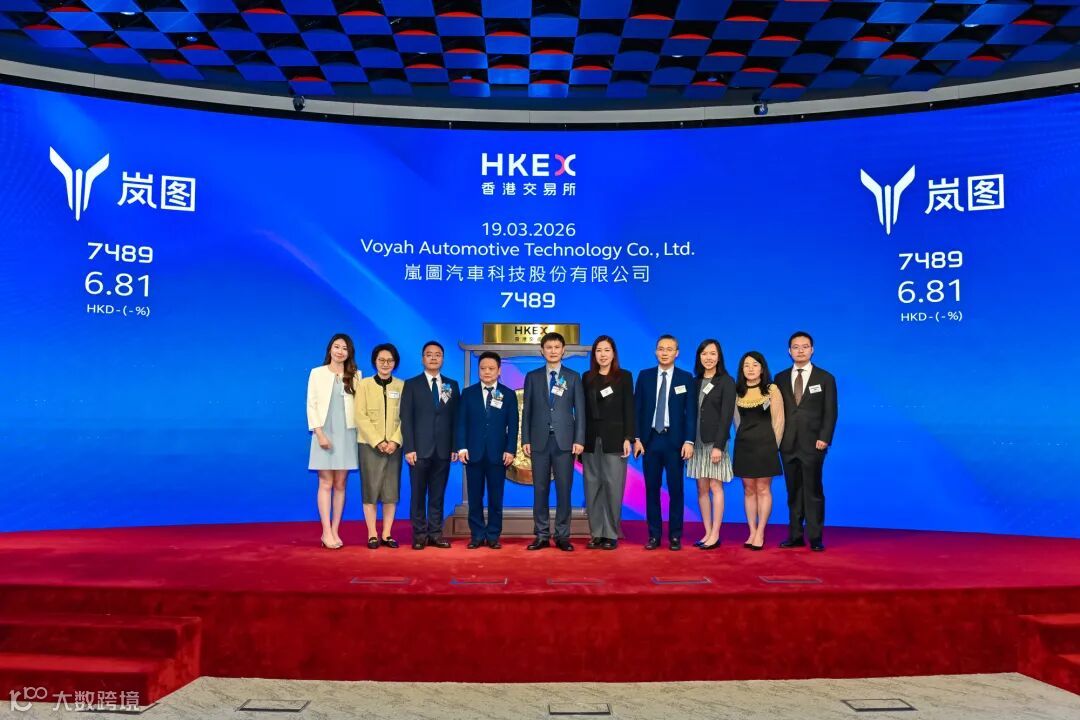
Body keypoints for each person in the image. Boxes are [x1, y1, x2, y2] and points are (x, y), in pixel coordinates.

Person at [773, 332, 838, 552]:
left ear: (812, 350)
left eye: (805, 346)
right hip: (787, 444)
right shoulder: (780, 378)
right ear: (789, 351)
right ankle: (795, 535)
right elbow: (776, 412)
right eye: (795, 347)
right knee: (793, 492)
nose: (800, 350)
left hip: (814, 444)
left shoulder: (825, 378)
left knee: (813, 491)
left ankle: (815, 537)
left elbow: (830, 412)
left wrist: (824, 437)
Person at [522, 331, 585, 551]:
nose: (553, 351)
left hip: (565, 442)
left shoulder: (573, 377)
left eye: (557, 347)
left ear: (563, 350)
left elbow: (580, 411)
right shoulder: (532, 376)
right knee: (540, 489)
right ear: (542, 351)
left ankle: (562, 535)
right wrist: (525, 438)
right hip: (539, 441)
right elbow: (527, 411)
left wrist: (579, 439)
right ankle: (541, 535)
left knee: (564, 489)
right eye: (548, 347)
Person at [633, 334, 696, 551]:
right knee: (652, 489)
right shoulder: (645, 376)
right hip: (650, 441)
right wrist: (637, 439)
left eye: (669, 349)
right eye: (661, 348)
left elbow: (691, 414)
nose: (665, 352)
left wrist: (689, 441)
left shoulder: (686, 378)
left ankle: (675, 536)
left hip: (675, 442)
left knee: (676, 490)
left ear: (677, 353)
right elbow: (637, 409)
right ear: (655, 352)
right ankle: (654, 535)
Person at [400, 341, 460, 550]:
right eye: (429, 354)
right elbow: (406, 419)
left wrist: (454, 446)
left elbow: (456, 419)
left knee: (437, 494)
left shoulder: (451, 385)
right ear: (422, 358)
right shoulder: (412, 384)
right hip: (418, 450)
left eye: (437, 354)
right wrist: (409, 448)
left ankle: (435, 534)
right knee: (418, 495)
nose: (433, 358)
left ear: (443, 358)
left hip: (443, 450)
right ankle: (419, 535)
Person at [456, 351, 519, 549]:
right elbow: (461, 423)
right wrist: (462, 447)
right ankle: (476, 535)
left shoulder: (508, 394)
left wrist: (510, 450)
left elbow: (513, 425)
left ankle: (493, 535)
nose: (487, 372)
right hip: (473, 453)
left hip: (498, 455)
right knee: (475, 497)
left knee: (495, 498)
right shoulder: (468, 393)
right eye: (483, 368)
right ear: (478, 370)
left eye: (491, 368)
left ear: (499, 371)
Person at [306, 333, 360, 550]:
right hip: (324, 432)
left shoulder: (356, 375)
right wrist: (319, 434)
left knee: (340, 484)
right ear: (330, 349)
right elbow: (311, 405)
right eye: (337, 347)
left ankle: (335, 530)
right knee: (325, 483)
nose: (340, 351)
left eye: (345, 348)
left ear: (349, 353)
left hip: (347, 433)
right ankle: (326, 531)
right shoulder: (317, 373)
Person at [581, 335, 635, 550]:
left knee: (613, 487)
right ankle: (596, 533)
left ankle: (611, 533)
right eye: (598, 351)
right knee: (592, 487)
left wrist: (628, 437)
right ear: (594, 354)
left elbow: (629, 408)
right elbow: (582, 411)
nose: (602, 355)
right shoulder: (587, 377)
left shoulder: (624, 377)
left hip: (615, 440)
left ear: (613, 353)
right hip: (590, 441)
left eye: (606, 350)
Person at [686, 339, 736, 550]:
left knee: (716, 486)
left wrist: (719, 445)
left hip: (715, 443)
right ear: (699, 356)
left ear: (719, 357)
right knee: (701, 488)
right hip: (696, 442)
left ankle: (715, 533)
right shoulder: (694, 382)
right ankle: (707, 531)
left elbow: (726, 416)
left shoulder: (726, 381)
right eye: (704, 353)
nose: (708, 357)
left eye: (713, 353)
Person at [732, 351, 784, 551]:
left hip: (766, 446)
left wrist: (773, 447)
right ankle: (751, 531)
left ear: (762, 368)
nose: (751, 369)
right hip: (744, 446)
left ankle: (761, 531)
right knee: (748, 490)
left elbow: (779, 421)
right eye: (746, 365)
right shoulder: (738, 391)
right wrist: (743, 438)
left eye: (755, 364)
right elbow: (737, 421)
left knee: (763, 489)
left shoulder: (772, 389)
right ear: (741, 369)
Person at [355, 343, 404, 550]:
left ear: (395, 363)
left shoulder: (401, 386)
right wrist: (377, 441)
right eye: (381, 360)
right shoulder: (364, 385)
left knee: (391, 491)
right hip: (369, 445)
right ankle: (372, 534)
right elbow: (360, 415)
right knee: (370, 490)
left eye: (390, 360)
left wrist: (395, 440)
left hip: (394, 446)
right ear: (374, 361)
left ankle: (387, 533)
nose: (385, 364)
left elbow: (406, 417)